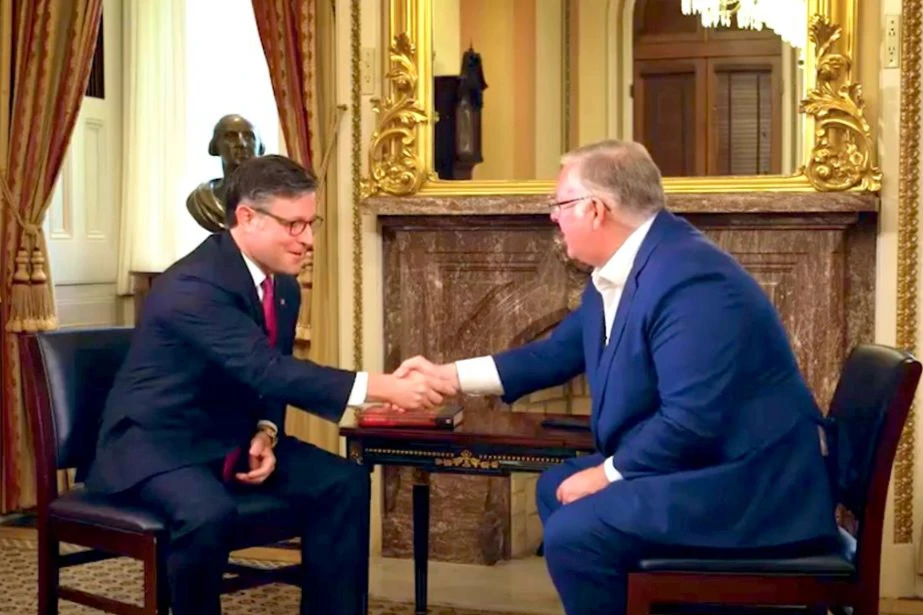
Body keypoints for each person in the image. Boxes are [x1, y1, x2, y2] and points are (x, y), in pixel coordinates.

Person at [396, 140, 839, 615]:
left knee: (574, 532)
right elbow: (550, 356)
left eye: (559, 204)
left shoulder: (690, 279)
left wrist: (607, 474)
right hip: (709, 466)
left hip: (752, 487)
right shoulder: (628, 268)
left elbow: (691, 421)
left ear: (595, 210)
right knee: (555, 488)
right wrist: (447, 376)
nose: (552, 216)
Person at [85, 154, 452, 615]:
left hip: (227, 438)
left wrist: (266, 430)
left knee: (344, 483)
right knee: (207, 514)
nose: (309, 240)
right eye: (294, 225)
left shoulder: (283, 286)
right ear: (246, 217)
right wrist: (382, 386)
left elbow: (267, 379)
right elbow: (267, 370)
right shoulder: (193, 286)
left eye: (311, 224)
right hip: (156, 446)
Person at [186, 114, 264, 233]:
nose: (241, 144)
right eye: (231, 137)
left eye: (249, 137)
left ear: (260, 147)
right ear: (215, 146)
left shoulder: (274, 198)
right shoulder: (202, 200)